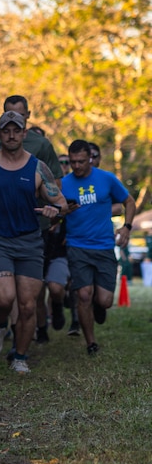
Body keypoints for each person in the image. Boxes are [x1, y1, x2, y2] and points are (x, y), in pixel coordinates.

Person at [0, 111, 64, 374]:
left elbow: (61, 202)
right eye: (5, 130)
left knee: (29, 305)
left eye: (16, 130)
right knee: (5, 298)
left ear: (24, 134)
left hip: (30, 242)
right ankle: (1, 324)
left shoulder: (38, 167)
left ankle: (20, 356)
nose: (11, 135)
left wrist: (55, 211)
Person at [60, 140, 135, 355]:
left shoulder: (107, 179)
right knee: (83, 295)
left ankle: (98, 304)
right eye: (73, 162)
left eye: (81, 161)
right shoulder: (64, 184)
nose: (76, 166)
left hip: (103, 246)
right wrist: (62, 212)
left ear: (90, 159)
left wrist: (127, 228)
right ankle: (91, 342)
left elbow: (129, 202)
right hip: (77, 246)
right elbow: (55, 214)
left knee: (105, 300)